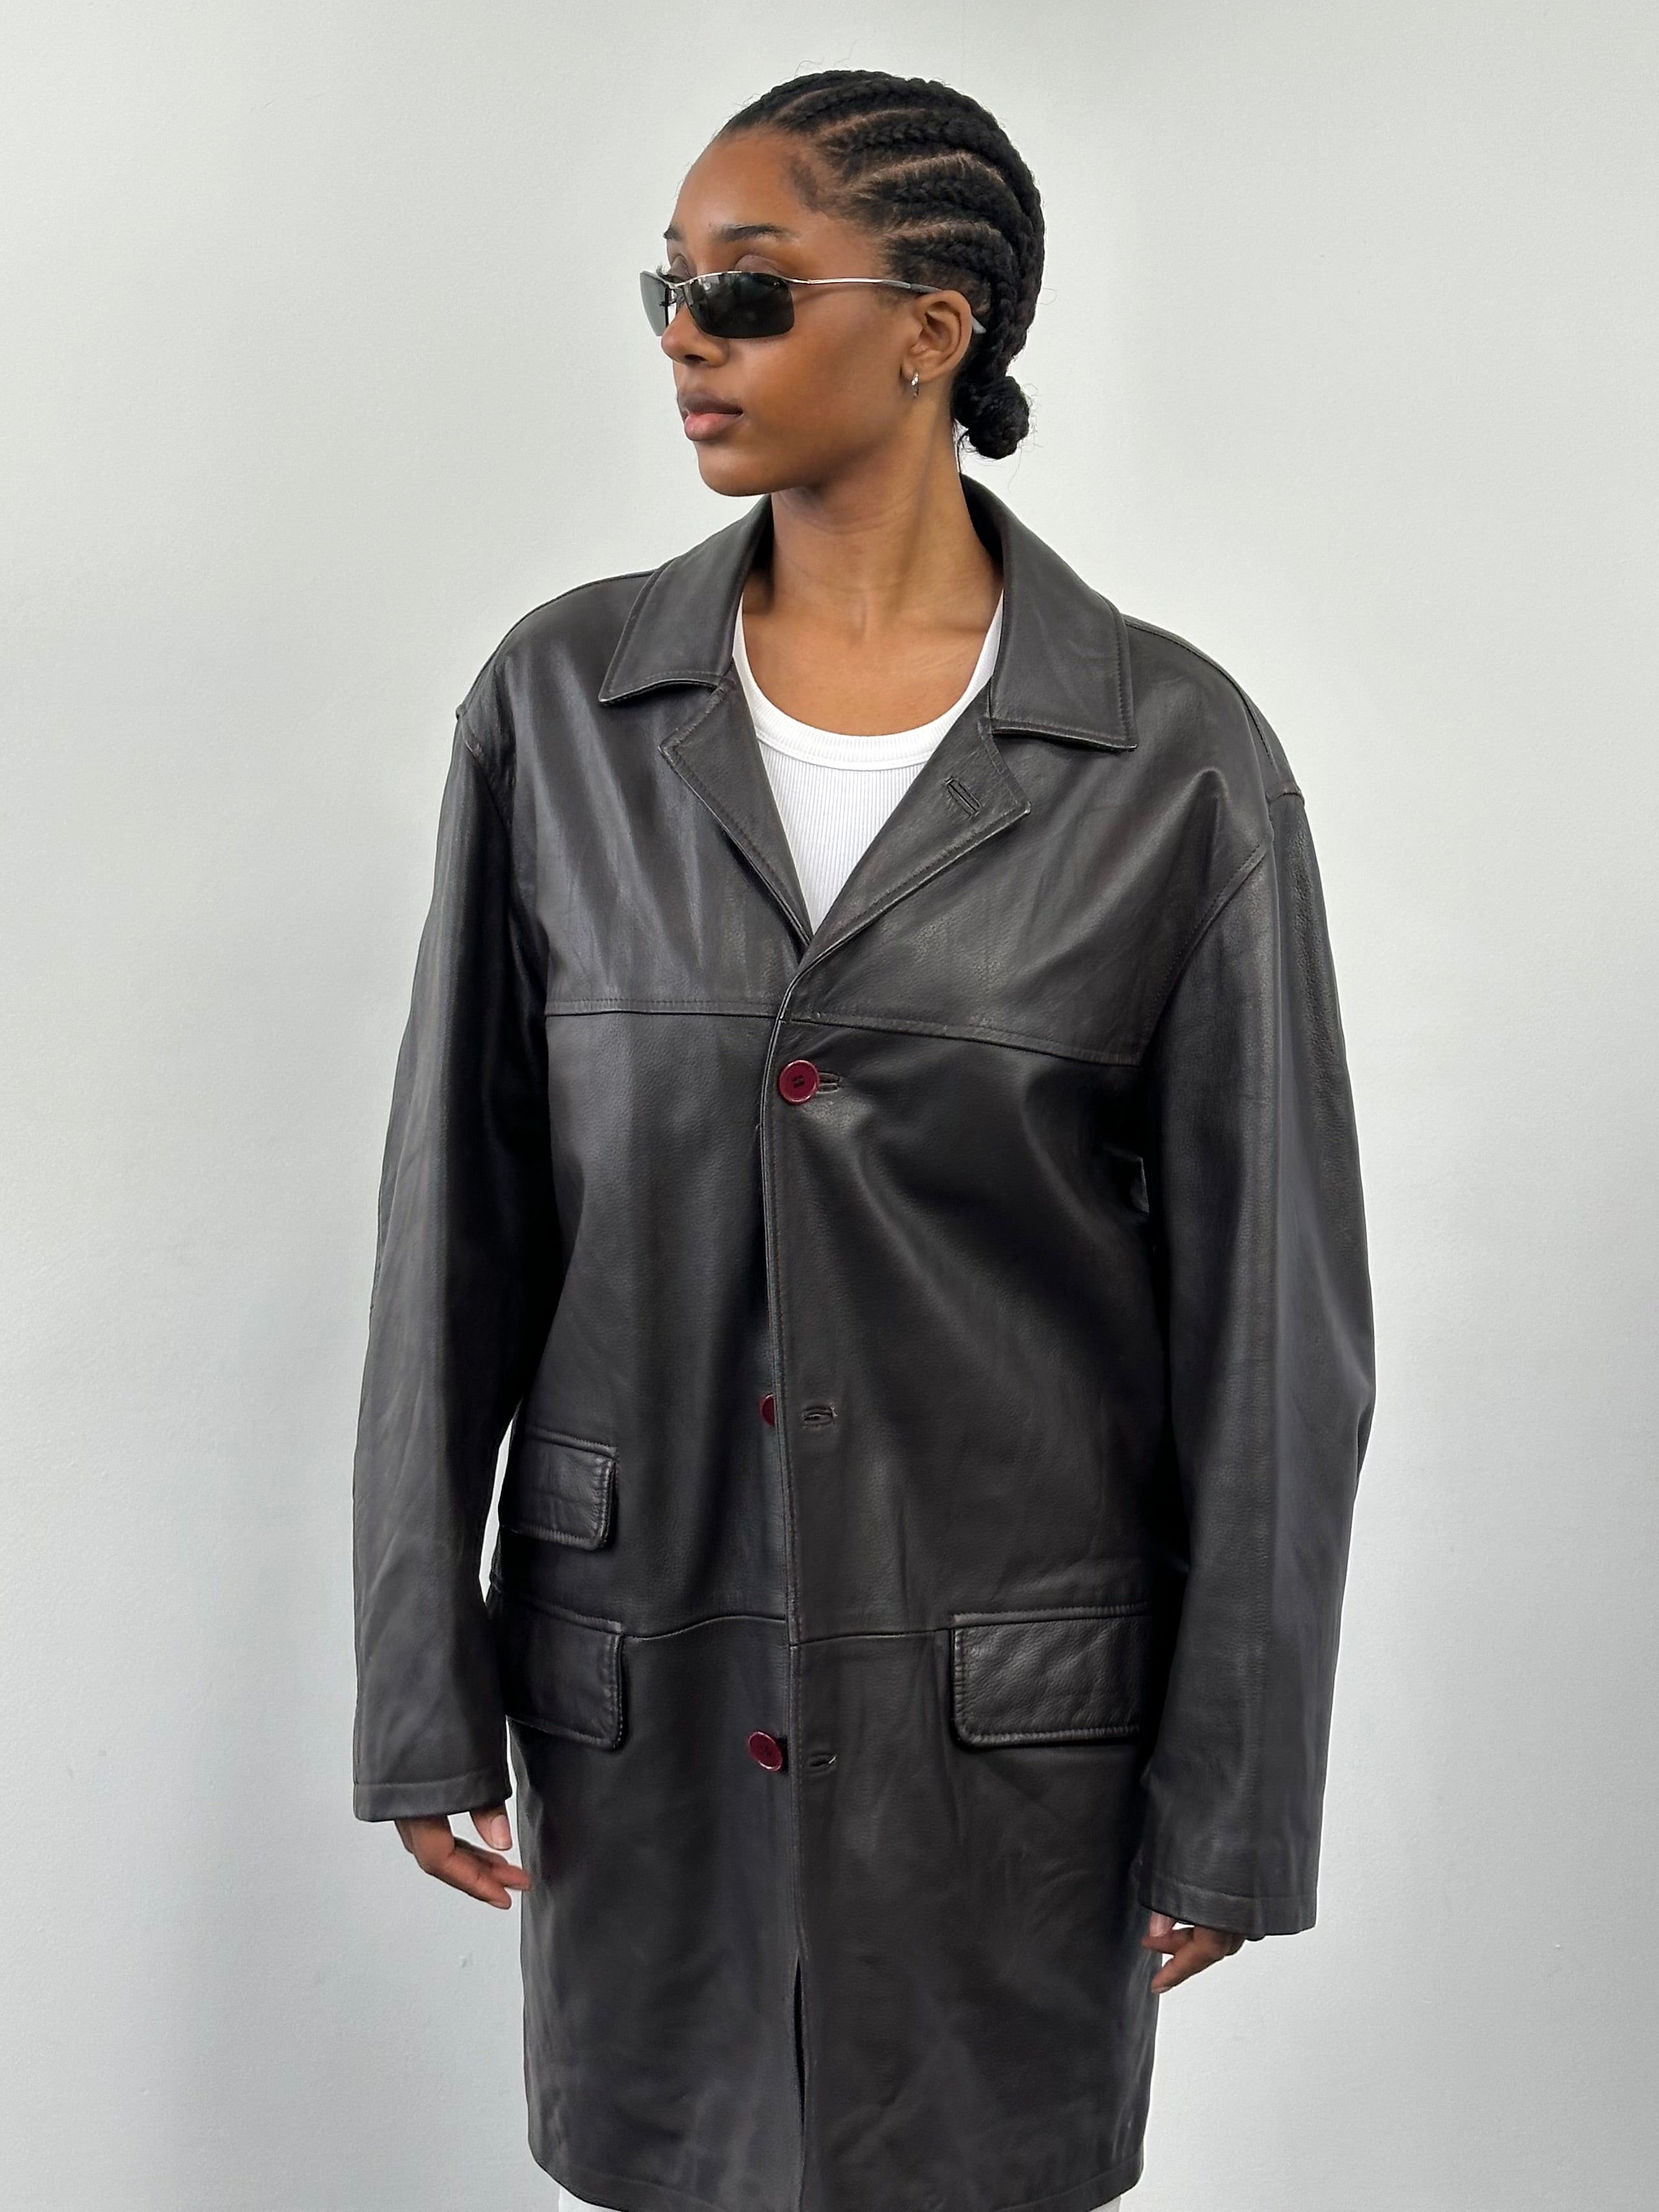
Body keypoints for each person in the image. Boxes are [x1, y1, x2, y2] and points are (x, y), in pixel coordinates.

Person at [352, 67, 1375, 2212]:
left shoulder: (1173, 763)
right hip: (645, 1672)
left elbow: (1275, 1335)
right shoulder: (560, 712)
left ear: (931, 328)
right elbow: (454, 1236)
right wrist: (419, 1688)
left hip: (1009, 1720)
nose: (684, 338)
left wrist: (1237, 1793)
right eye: (665, 287)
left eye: (743, 289)